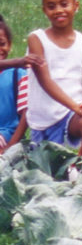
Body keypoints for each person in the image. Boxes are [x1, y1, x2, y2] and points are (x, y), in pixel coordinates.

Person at [25, 0, 82, 156]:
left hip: (72, 116)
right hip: (44, 118)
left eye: (64, 4)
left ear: (76, 6)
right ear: (44, 10)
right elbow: (45, 81)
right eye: (51, 6)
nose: (59, 10)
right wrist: (76, 107)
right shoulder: (36, 39)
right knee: (48, 174)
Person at [0, 15, 35, 155]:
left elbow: (26, 115)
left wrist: (10, 147)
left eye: (2, 43)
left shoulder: (18, 75)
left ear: (10, 44)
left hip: (8, 137)